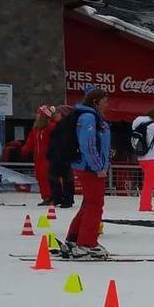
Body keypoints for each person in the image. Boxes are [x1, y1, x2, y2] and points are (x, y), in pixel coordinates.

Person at [62, 89, 111, 258]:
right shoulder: (89, 118)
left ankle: (74, 238)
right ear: (96, 102)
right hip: (90, 168)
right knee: (95, 205)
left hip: (87, 166)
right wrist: (98, 167)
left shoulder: (87, 116)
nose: (107, 105)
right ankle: (87, 243)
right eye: (105, 101)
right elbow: (88, 145)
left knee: (88, 204)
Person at [21, 105, 57, 205]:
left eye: (38, 113)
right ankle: (46, 196)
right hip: (38, 158)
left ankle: (52, 196)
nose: (36, 116)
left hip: (48, 157)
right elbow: (30, 141)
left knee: (47, 177)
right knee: (40, 177)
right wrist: (24, 150)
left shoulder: (51, 127)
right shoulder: (36, 129)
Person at [44, 106, 75, 208]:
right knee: (62, 177)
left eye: (58, 113)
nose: (55, 115)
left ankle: (63, 198)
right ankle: (63, 198)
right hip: (60, 156)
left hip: (61, 156)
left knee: (60, 177)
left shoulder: (64, 127)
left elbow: (62, 143)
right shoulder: (61, 126)